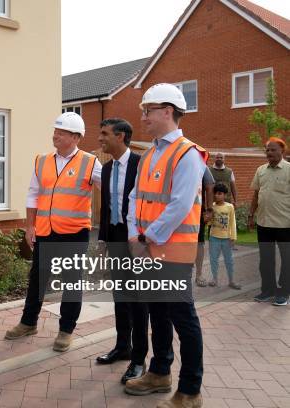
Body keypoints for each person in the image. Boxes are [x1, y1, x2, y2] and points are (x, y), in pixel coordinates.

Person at [124, 83, 207, 408]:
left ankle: (190, 391)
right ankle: (160, 372)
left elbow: (179, 205)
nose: (142, 117)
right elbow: (134, 198)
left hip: (172, 252)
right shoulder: (150, 155)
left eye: (148, 110)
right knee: (157, 312)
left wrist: (145, 238)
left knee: (182, 318)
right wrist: (134, 234)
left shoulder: (188, 154)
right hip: (146, 248)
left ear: (168, 112)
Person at [5, 112, 102, 352]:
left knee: (71, 282)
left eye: (61, 132)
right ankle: (28, 323)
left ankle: (66, 331)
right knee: (37, 279)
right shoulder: (42, 160)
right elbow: (32, 194)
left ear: (75, 137)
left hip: (74, 233)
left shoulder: (91, 163)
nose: (55, 135)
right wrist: (30, 225)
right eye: (55, 131)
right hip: (46, 231)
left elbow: (111, 189)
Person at [95, 118, 148, 384]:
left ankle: (139, 359)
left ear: (121, 136)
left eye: (104, 134)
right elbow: (106, 207)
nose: (100, 139)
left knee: (138, 299)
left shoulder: (141, 164)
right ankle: (122, 346)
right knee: (120, 294)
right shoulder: (105, 169)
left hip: (137, 240)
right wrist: (104, 239)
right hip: (116, 237)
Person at [249, 137, 290, 306]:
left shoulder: (289, 170)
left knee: (287, 259)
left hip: (285, 224)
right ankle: (268, 290)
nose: (269, 153)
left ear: (283, 151)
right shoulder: (261, 170)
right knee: (266, 259)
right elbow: (256, 195)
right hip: (263, 223)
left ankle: (284, 292)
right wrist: (251, 215)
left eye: (273, 150)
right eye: (267, 150)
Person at [209, 183, 240, 289]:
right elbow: (209, 223)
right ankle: (214, 279)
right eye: (215, 194)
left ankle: (231, 281)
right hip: (214, 238)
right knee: (213, 259)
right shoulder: (212, 206)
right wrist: (208, 217)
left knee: (229, 260)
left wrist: (233, 237)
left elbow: (232, 223)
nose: (217, 196)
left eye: (219, 193)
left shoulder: (230, 207)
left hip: (226, 239)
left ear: (225, 195)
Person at [194, 168, 214, 287]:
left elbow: (209, 186)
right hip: (174, 208)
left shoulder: (200, 162)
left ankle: (199, 274)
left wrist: (209, 209)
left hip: (196, 209)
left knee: (199, 242)